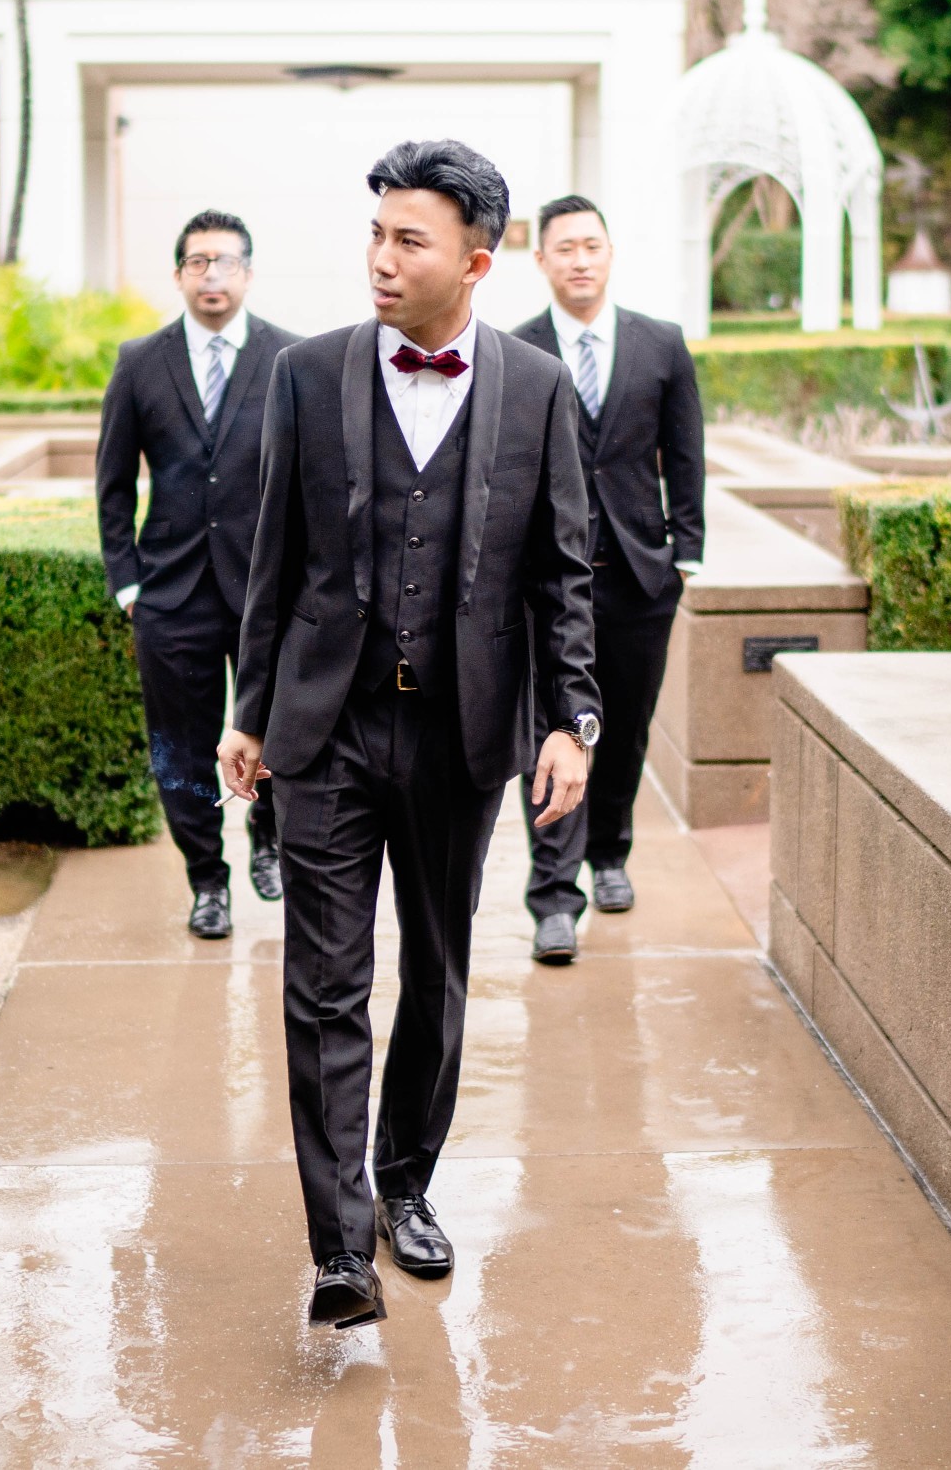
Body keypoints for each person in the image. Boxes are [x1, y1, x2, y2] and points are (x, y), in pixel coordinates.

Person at [219, 141, 599, 1329]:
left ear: (476, 263)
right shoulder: (304, 374)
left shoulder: (536, 388)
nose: (380, 259)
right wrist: (248, 712)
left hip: (458, 734)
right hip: (327, 730)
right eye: (375, 234)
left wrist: (570, 719)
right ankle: (339, 1250)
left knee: (434, 974)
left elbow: (563, 570)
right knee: (324, 986)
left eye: (409, 240)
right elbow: (274, 555)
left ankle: (403, 1183)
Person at [509, 195, 706, 964]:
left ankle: (610, 853)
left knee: (623, 726)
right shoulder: (515, 350)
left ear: (610, 253)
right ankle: (553, 895)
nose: (580, 260)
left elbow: (684, 453)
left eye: (591, 245)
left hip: (638, 573)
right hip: (545, 583)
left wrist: (684, 554)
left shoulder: (661, 344)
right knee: (548, 729)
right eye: (565, 248)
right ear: (542, 261)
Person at [96, 210, 294, 940]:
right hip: (170, 595)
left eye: (226, 261)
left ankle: (270, 838)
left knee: (278, 729)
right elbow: (113, 482)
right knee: (178, 747)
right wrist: (128, 584)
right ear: (179, 274)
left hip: (267, 591)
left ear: (249, 272)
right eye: (198, 261)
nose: (212, 275)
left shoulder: (289, 357)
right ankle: (207, 881)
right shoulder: (139, 362)